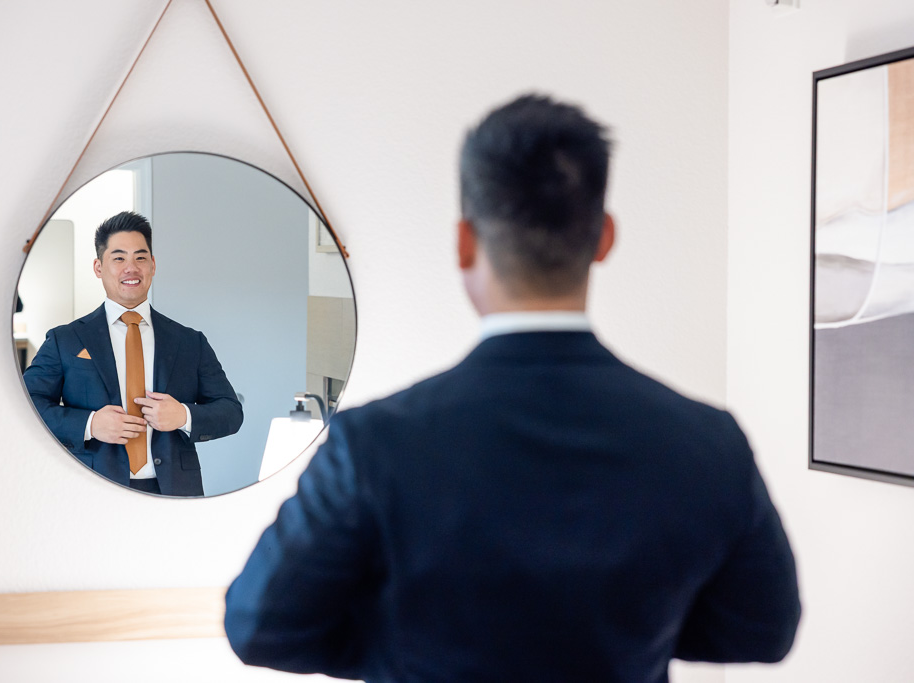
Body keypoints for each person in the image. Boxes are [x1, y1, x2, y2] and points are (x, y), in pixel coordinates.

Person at [224, 95, 800, 680]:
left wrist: (402, 647)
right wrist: (628, 632)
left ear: (464, 243)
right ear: (603, 237)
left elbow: (260, 626)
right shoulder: (708, 443)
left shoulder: (373, 445)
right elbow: (763, 628)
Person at [23, 211, 243, 497]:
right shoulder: (65, 339)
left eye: (140, 258)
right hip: (91, 491)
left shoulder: (190, 342)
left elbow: (230, 411)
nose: (131, 268)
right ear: (98, 267)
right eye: (118, 258)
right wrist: (90, 424)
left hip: (175, 494)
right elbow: (25, 404)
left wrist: (184, 416)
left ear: (152, 265)